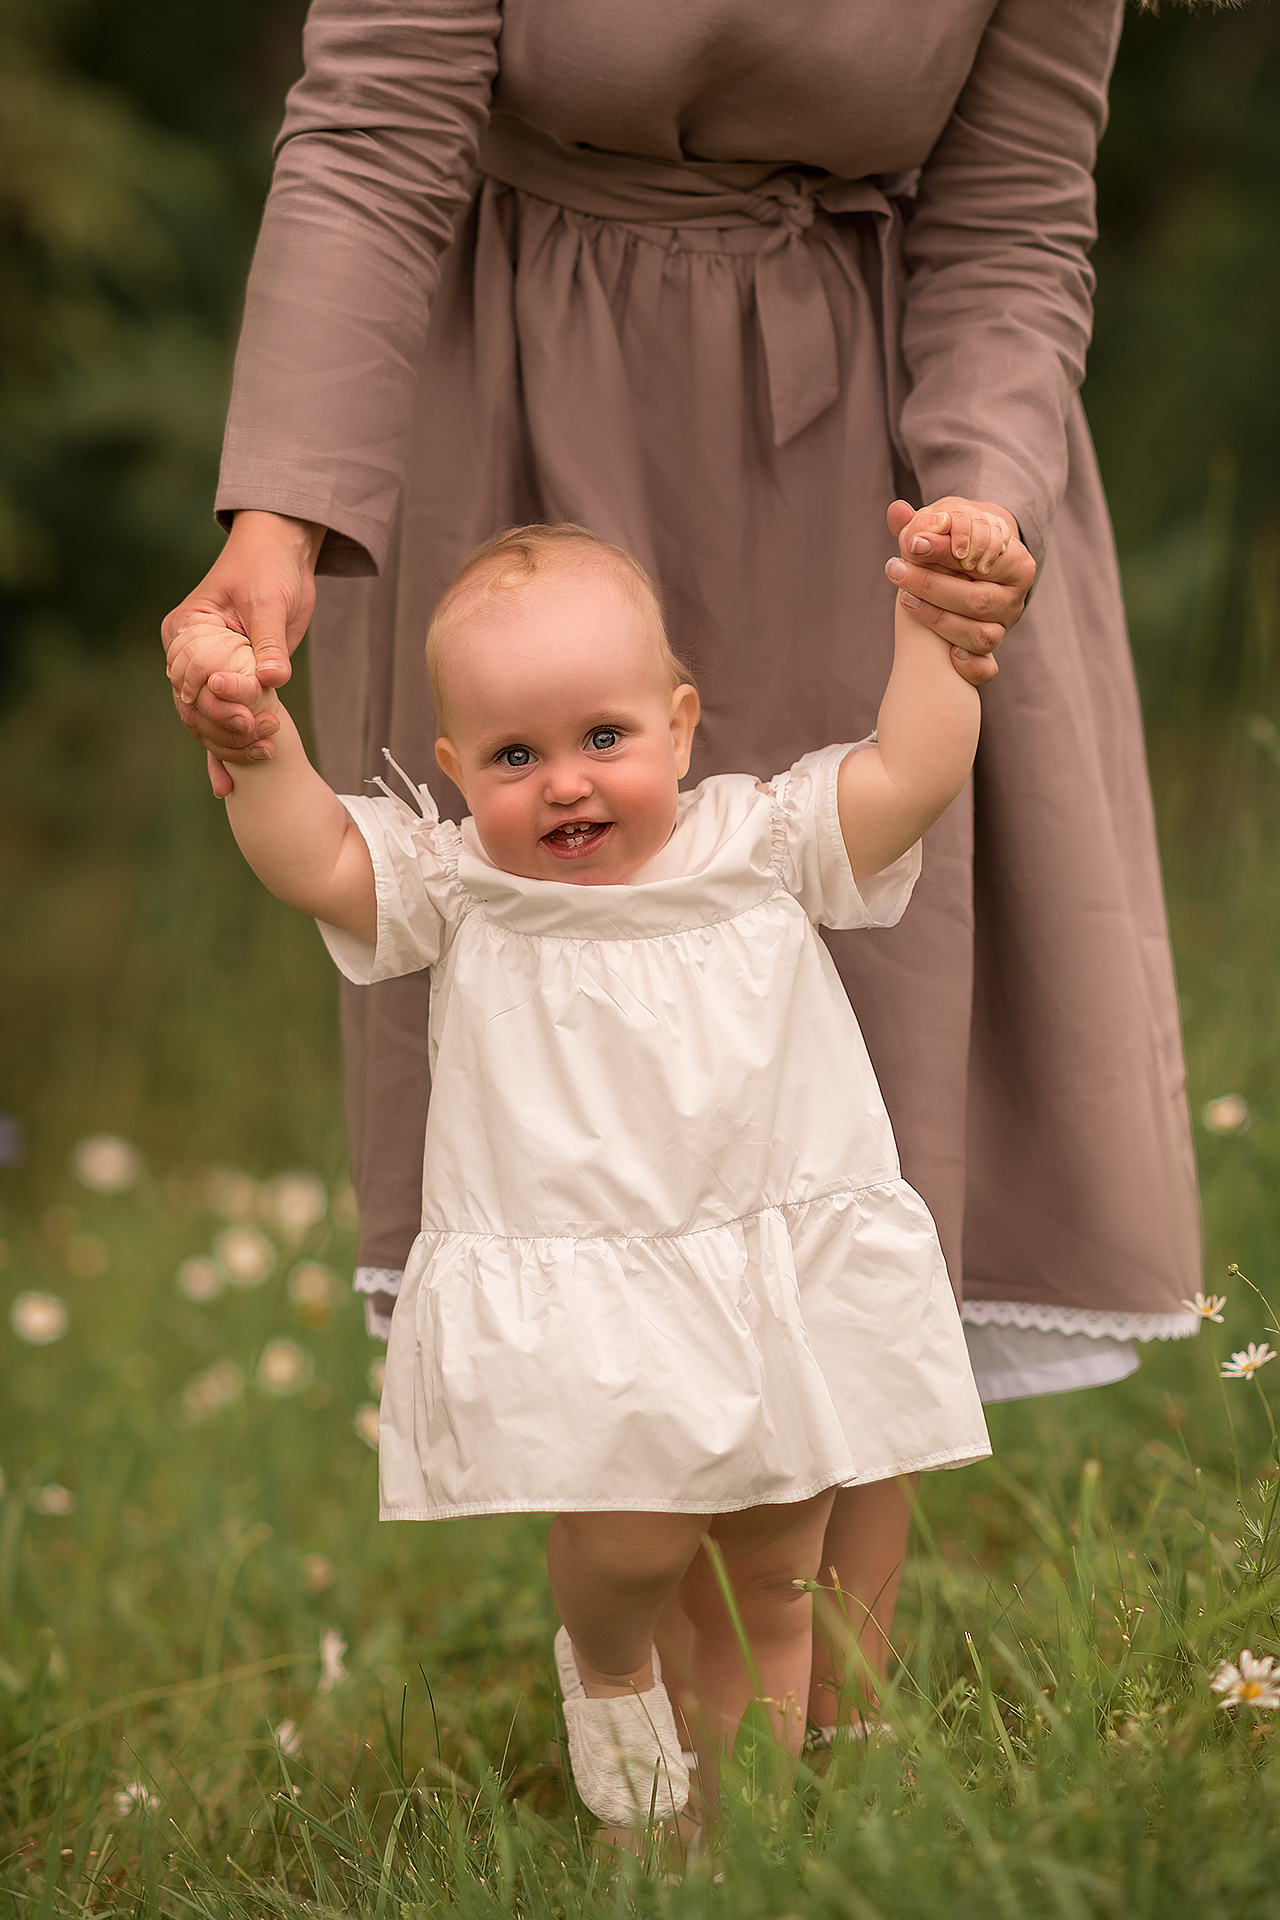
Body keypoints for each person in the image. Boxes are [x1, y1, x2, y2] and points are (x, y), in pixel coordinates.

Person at [162, 2, 1201, 1732]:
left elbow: (1016, 206)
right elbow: (373, 128)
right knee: (599, 1096)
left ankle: (817, 1757)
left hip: (874, 450)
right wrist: (275, 519)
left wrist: (978, 511)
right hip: (525, 403)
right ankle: (635, 1622)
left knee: (863, 1060)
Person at [185, 519, 992, 1818]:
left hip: (760, 1273)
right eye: (515, 756)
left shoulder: (760, 842)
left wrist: (938, 630)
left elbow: (912, 772)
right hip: (595, 1296)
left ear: (680, 725)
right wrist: (259, 750)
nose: (564, 783)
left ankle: (731, 1855)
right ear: (453, 769)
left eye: (603, 739)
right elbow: (321, 861)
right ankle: (610, 1660)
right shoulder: (465, 885)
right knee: (631, 1537)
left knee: (779, 1571)